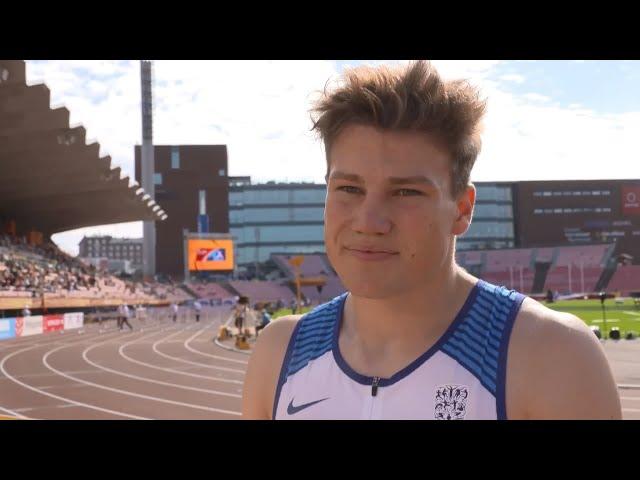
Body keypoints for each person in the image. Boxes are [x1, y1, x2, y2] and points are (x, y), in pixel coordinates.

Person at [242, 61, 621, 420]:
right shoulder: (279, 354)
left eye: (406, 192)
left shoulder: (553, 355)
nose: (369, 222)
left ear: (461, 209)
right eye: (349, 188)